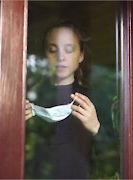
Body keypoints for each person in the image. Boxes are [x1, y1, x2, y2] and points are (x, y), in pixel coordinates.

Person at [25, 21, 100, 178]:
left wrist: (96, 129)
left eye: (69, 50)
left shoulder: (94, 99)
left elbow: (115, 156)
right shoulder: (30, 96)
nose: (61, 57)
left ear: (81, 55)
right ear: (44, 54)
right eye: (53, 50)